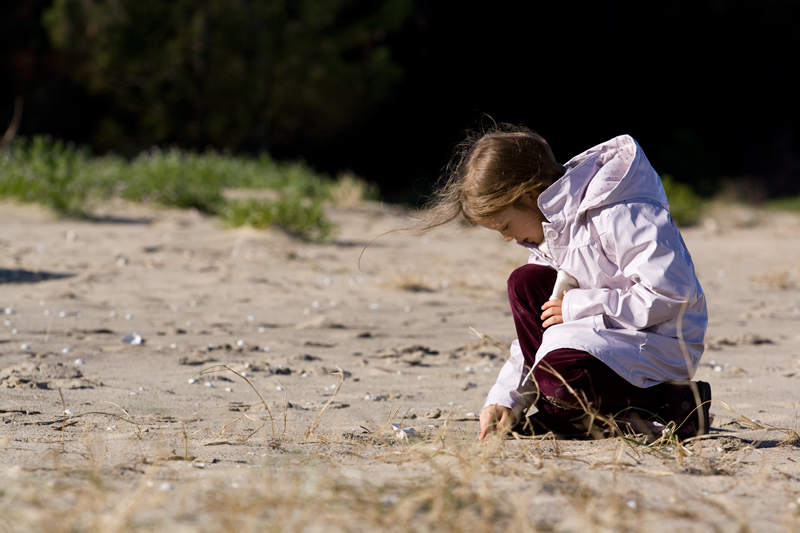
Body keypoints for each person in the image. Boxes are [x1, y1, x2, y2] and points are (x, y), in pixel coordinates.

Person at [419, 125, 711, 441]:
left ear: (530, 195)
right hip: (601, 338)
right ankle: (571, 415)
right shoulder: (553, 233)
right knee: (525, 283)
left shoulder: (622, 210)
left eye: (505, 225)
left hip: (658, 344)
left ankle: (676, 403)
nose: (507, 238)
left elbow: (672, 293)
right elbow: (539, 339)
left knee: (560, 377)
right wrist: (506, 399)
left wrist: (576, 307)